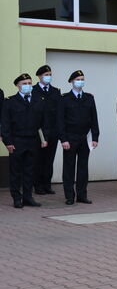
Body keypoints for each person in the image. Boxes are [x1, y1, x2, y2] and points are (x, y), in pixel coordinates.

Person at [1, 74, 49, 208]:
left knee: (30, 170)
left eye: (29, 82)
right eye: (24, 83)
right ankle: (17, 197)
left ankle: (28, 197)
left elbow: (44, 122)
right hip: (17, 141)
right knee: (16, 171)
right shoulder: (10, 102)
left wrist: (44, 139)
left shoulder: (39, 100)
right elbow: (5, 125)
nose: (27, 85)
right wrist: (8, 142)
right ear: (18, 85)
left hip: (33, 140)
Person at [57, 70, 99, 205]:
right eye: (78, 79)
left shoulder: (89, 98)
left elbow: (94, 119)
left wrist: (95, 137)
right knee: (69, 168)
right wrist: (63, 139)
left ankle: (82, 195)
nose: (80, 81)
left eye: (82, 79)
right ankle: (69, 196)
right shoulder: (64, 99)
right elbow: (60, 121)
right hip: (70, 138)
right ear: (71, 82)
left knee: (83, 167)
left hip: (84, 138)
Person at [32, 65, 61, 195]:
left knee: (49, 159)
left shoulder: (55, 91)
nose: (48, 77)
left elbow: (59, 112)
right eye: (45, 74)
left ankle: (47, 185)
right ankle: (37, 185)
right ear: (39, 76)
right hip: (38, 131)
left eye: (49, 74)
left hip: (52, 131)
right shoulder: (33, 91)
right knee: (38, 159)